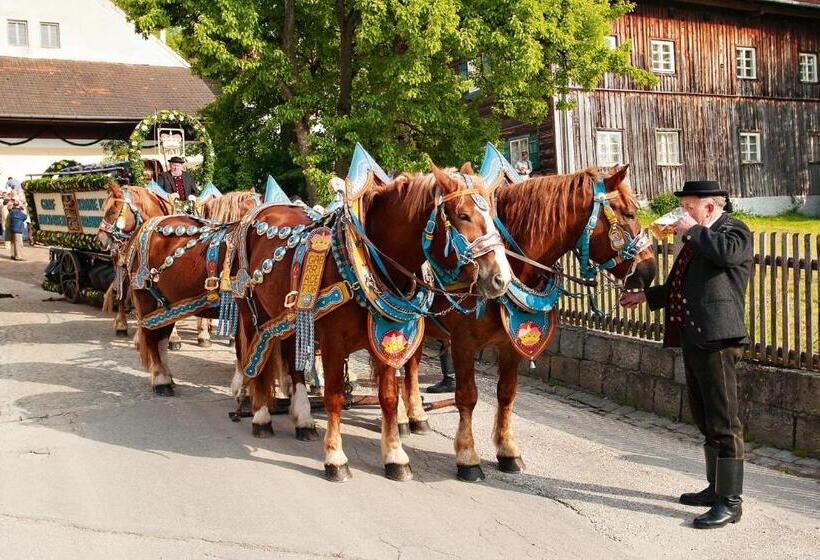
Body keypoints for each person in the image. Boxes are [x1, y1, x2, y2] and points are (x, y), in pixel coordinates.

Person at [620, 180, 752, 529]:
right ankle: (715, 489)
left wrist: (693, 230)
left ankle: (731, 502)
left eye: (689, 206)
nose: (683, 212)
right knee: (704, 418)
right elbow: (680, 286)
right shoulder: (697, 238)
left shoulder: (734, 230)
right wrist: (646, 298)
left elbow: (726, 255)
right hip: (693, 337)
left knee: (725, 423)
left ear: (710, 206)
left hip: (719, 339)